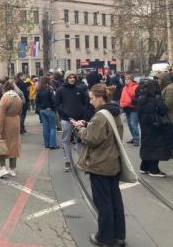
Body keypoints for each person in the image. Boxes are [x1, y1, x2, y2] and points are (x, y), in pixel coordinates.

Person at [71, 84, 126, 247]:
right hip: (112, 162)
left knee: (103, 203)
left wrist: (80, 129)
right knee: (115, 201)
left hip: (100, 164)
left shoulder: (100, 116)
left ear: (99, 97)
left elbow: (91, 139)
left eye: (91, 98)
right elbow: (107, 134)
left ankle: (104, 237)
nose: (90, 101)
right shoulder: (113, 113)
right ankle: (119, 235)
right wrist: (89, 125)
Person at [137, 80, 173, 177]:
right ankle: (154, 170)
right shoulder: (156, 99)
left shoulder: (141, 98)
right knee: (155, 148)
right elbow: (163, 110)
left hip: (145, 126)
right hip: (156, 126)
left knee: (147, 146)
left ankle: (144, 167)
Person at [54, 71, 87, 171]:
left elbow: (84, 103)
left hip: (79, 120)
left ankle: (82, 162)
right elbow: (56, 105)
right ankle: (67, 161)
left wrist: (82, 116)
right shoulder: (60, 90)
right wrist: (66, 115)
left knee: (80, 140)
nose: (72, 79)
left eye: (73, 77)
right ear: (66, 78)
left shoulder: (79, 90)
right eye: (70, 77)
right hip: (66, 120)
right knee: (66, 140)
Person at [0, 81, 23, 178]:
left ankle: (3, 168)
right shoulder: (18, 97)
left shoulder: (5, 97)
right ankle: (12, 169)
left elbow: (1, 114)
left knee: (0, 144)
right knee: (14, 144)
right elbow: (20, 111)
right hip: (15, 121)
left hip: (6, 122)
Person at [35, 77, 58, 149]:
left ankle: (47, 143)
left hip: (42, 110)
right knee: (52, 127)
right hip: (49, 109)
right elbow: (53, 100)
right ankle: (53, 144)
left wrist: (39, 108)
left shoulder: (38, 90)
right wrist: (53, 108)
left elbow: (36, 101)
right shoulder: (50, 89)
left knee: (45, 127)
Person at [119, 75, 140, 146]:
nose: (126, 80)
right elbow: (122, 97)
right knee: (129, 125)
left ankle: (137, 139)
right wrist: (121, 104)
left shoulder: (136, 86)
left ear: (131, 79)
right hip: (126, 107)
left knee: (133, 124)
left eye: (127, 79)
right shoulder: (124, 87)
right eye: (125, 79)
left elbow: (138, 97)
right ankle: (133, 137)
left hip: (133, 108)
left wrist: (131, 101)